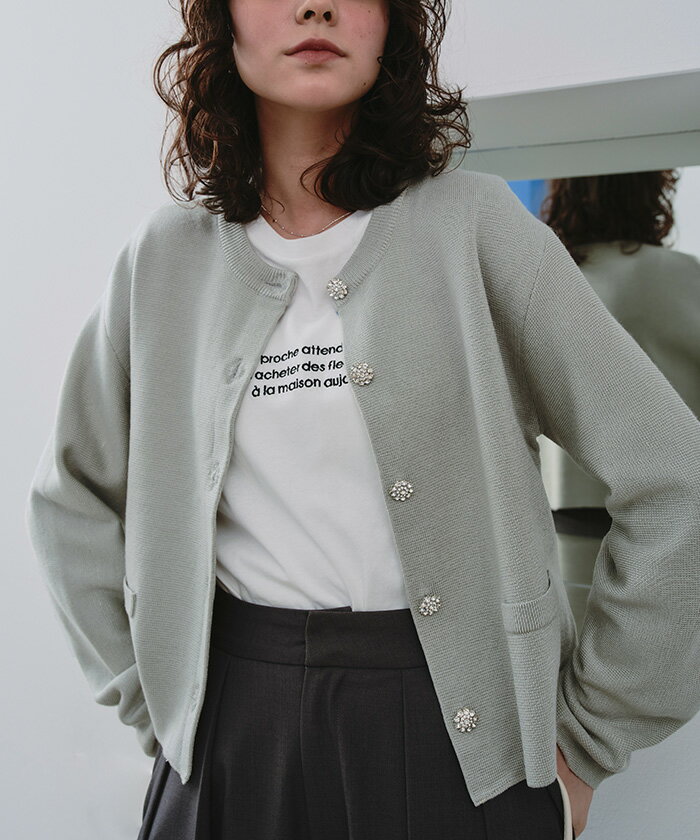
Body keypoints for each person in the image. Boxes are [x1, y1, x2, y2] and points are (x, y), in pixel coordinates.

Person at [24, 1, 700, 839]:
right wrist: (152, 697)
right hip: (230, 730)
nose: (316, 5)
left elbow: (677, 480)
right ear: (223, 22)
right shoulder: (163, 260)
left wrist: (592, 734)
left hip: (457, 736)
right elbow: (70, 499)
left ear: (391, 24)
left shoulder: (478, 228)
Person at [536, 171, 700, 634]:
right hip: (678, 504)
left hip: (564, 501)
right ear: (653, 194)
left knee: (574, 651)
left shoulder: (549, 276)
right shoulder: (688, 275)